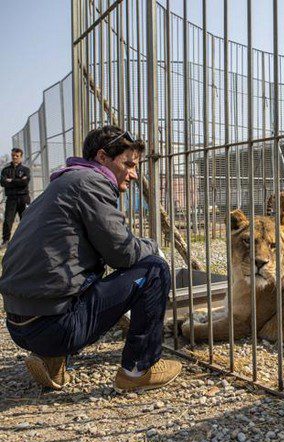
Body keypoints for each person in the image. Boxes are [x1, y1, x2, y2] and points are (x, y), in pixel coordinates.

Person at [0, 125, 182, 392]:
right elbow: (123, 253)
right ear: (102, 157)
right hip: (54, 325)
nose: (133, 174)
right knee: (154, 269)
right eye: (129, 164)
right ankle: (138, 370)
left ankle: (52, 359)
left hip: (18, 323)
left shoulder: (61, 184)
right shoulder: (92, 182)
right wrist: (152, 247)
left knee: (83, 273)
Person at [1, 148, 31, 246]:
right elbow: (2, 182)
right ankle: (5, 241)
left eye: (17, 156)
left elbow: (25, 182)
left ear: (21, 157)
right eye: (13, 155)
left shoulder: (25, 170)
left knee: (26, 220)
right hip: (11, 198)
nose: (15, 157)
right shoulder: (5, 170)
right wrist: (18, 181)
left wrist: (11, 181)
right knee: (8, 220)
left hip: (23, 198)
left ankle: (28, 240)